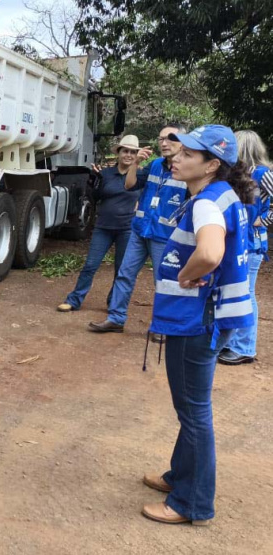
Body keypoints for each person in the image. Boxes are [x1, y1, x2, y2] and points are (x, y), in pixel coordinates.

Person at [140, 125, 254, 525]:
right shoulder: (224, 195)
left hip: (196, 319)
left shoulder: (207, 202)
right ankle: (179, 477)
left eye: (188, 154)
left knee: (193, 411)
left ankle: (192, 504)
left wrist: (188, 275)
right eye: (179, 151)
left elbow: (209, 253)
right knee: (191, 407)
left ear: (211, 165)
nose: (176, 157)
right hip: (211, 316)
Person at [89, 124, 188, 334]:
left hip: (165, 236)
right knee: (125, 274)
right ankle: (116, 318)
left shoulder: (188, 169)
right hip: (140, 230)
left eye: (171, 138)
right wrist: (135, 162)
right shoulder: (154, 166)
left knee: (162, 282)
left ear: (183, 142)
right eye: (161, 138)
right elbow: (129, 185)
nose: (164, 143)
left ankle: (162, 327)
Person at [57, 136, 146, 312]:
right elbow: (95, 198)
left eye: (132, 152)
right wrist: (93, 181)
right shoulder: (105, 174)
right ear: (119, 153)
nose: (128, 155)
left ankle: (114, 302)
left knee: (121, 269)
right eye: (125, 151)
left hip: (127, 229)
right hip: (103, 227)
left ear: (137, 155)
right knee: (90, 265)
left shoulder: (141, 176)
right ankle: (74, 300)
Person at [217, 130, 270, 365]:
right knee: (232, 292)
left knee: (246, 293)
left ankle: (244, 347)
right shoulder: (238, 175)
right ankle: (229, 343)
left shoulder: (263, 173)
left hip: (252, 243)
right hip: (237, 242)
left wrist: (264, 220)